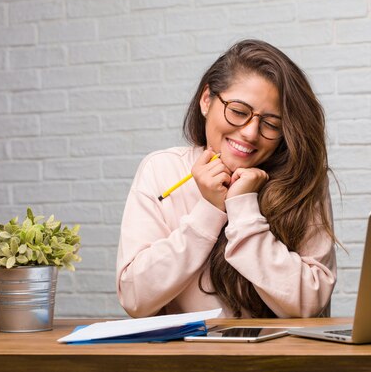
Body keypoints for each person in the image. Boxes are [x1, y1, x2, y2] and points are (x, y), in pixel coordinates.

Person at [116, 39, 338, 318]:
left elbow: (308, 304)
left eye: (271, 124)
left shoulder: (302, 181)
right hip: (190, 357)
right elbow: (136, 298)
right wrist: (209, 210)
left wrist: (243, 207)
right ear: (207, 100)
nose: (250, 132)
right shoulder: (161, 169)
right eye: (238, 112)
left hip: (283, 357)